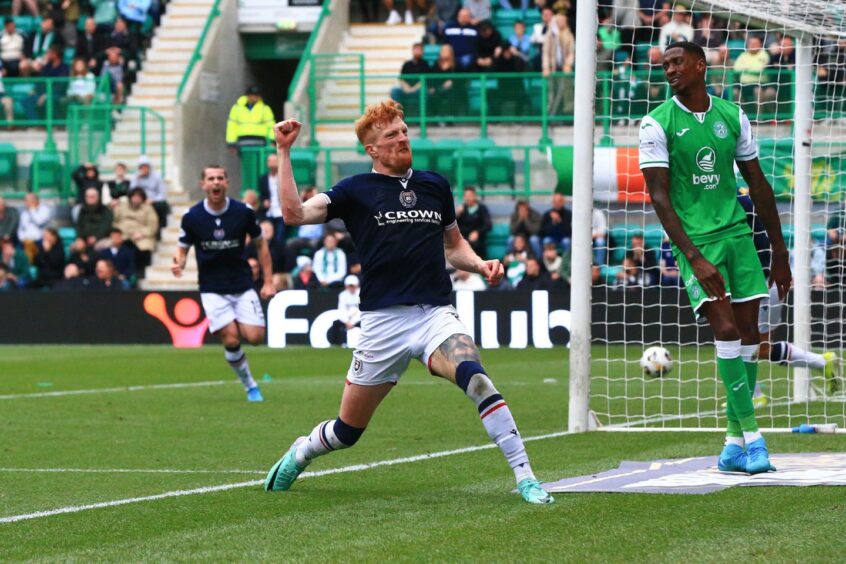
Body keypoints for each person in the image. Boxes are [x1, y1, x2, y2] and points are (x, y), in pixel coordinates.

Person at [264, 101, 554, 505]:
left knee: (477, 377)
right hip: (382, 324)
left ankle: (526, 477)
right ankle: (302, 452)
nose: (402, 138)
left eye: (403, 130)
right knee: (348, 431)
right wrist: (284, 151)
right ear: (372, 150)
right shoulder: (354, 191)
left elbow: (453, 247)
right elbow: (293, 214)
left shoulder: (434, 184)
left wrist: (479, 262)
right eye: (391, 135)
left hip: (435, 314)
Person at [639, 41, 791, 475]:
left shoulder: (732, 115)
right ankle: (755, 439)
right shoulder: (656, 123)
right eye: (664, 65)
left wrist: (779, 252)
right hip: (697, 242)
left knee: (749, 332)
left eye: (677, 62)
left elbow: (758, 185)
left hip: (739, 235)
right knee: (724, 327)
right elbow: (660, 197)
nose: (669, 70)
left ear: (700, 66)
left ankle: (731, 444)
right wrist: (693, 257)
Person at [172, 165, 276, 401]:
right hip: (212, 288)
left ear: (227, 183)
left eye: (220, 178)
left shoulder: (243, 212)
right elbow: (183, 248)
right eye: (210, 178)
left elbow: (261, 245)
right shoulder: (193, 217)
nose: (215, 182)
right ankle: (250, 385)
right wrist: (179, 263)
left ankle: (240, 321)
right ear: (203, 184)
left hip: (241, 283)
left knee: (256, 338)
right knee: (230, 338)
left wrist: (268, 281)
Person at [736, 189, 841, 400]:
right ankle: (822, 361)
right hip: (765, 280)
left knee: (742, 343)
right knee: (760, 347)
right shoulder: (744, 200)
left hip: (761, 283)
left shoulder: (739, 202)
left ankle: (754, 396)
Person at [113, 187, 157, 277]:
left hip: (140, 235)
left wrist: (142, 233)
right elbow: (114, 221)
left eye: (139, 197)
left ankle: (140, 272)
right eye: (134, 196)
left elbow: (153, 225)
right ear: (130, 197)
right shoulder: (121, 207)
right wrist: (118, 233)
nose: (136, 199)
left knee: (145, 248)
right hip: (123, 234)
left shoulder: (148, 209)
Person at [226, 85, 275, 152]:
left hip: (260, 142)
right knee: (246, 161)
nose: (254, 97)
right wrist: (231, 142)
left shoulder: (265, 108)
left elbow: (271, 126)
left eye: (256, 95)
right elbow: (231, 126)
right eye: (252, 95)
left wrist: (272, 140)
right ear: (247, 95)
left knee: (259, 161)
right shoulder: (237, 108)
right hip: (243, 142)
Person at [131, 155, 169, 233]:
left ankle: (159, 228)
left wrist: (153, 200)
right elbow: (131, 191)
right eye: (142, 167)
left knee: (162, 205)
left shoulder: (157, 176)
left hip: (153, 200)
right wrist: (137, 178)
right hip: (140, 200)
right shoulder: (136, 176)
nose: (144, 169)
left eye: (146, 166)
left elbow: (162, 194)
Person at [258, 152, 285, 244]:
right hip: (269, 212)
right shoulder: (263, 179)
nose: (272, 163)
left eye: (274, 160)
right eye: (270, 160)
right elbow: (261, 194)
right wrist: (264, 201)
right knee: (268, 237)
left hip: (281, 212)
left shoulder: (284, 177)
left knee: (279, 238)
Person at [456, 187, 491, 258]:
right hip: (464, 240)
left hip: (478, 242)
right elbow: (454, 227)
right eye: (465, 196)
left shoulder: (482, 208)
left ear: (475, 196)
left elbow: (488, 225)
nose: (467, 198)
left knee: (476, 244)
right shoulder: (462, 209)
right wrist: (457, 215)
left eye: (469, 196)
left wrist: (477, 232)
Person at [17, 192, 53, 260]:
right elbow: (21, 228)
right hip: (24, 241)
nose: (25, 203)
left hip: (39, 241)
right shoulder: (24, 212)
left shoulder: (44, 209)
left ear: (35, 201)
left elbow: (39, 221)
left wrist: (32, 209)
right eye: (25, 200)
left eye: (27, 200)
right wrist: (21, 238)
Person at [330, 274, 362, 346]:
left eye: (353, 286)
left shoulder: (361, 293)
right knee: (336, 324)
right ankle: (335, 344)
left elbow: (361, 310)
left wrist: (353, 322)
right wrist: (346, 321)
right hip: (347, 319)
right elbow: (341, 310)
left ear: (357, 285)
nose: (351, 288)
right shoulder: (342, 295)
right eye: (349, 286)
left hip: (358, 319)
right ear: (346, 286)